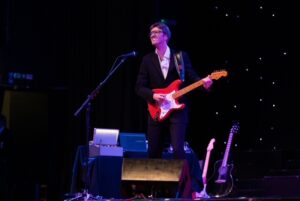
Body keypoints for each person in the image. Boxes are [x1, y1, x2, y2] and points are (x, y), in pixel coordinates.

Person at [135, 22, 213, 159]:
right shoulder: (147, 60)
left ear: (166, 36)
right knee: (153, 152)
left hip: (178, 110)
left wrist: (204, 84)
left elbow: (191, 76)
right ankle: (154, 180)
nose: (152, 35)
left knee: (178, 150)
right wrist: (153, 95)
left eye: (156, 32)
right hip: (157, 110)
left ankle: (181, 180)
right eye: (151, 33)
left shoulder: (180, 57)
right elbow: (139, 87)